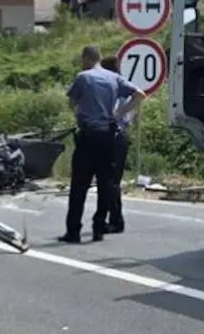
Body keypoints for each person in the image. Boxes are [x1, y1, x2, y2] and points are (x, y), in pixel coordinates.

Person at [60, 45, 145, 243]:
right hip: (109, 136)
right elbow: (139, 94)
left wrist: (81, 113)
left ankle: (73, 231)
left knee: (79, 185)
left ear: (86, 58)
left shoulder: (83, 77)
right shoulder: (114, 78)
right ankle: (98, 227)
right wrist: (120, 113)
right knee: (106, 184)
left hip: (89, 135)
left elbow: (72, 104)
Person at [100, 56, 134, 234]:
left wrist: (117, 114)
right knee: (111, 180)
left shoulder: (113, 88)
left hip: (113, 135)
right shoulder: (122, 86)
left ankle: (115, 220)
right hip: (120, 136)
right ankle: (108, 218)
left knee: (110, 180)